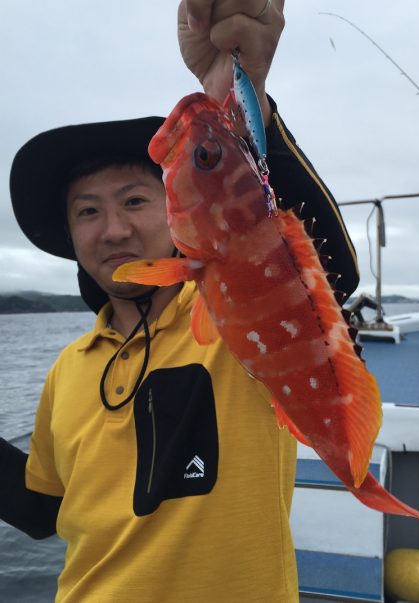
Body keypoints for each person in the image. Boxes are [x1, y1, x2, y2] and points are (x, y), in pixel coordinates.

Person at [1, 1, 359, 601]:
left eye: (134, 202)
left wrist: (244, 104)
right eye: (87, 210)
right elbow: (42, 511)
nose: (112, 229)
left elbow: (328, 277)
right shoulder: (67, 370)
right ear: (70, 236)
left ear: (176, 208)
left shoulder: (236, 313)